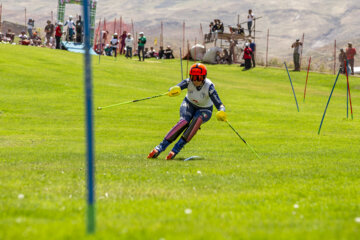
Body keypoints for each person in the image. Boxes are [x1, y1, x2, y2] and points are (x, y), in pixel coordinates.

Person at [147, 63, 226, 160]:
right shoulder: (189, 82)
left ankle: (176, 149)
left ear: (204, 77)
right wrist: (173, 90)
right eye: (193, 77)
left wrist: (222, 111)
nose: (196, 81)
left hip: (205, 109)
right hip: (189, 104)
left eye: (199, 78)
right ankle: (160, 147)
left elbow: (219, 104)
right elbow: (176, 87)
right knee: (184, 122)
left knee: (197, 121)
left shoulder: (209, 87)